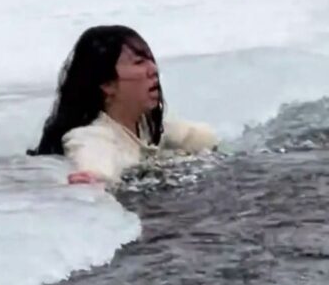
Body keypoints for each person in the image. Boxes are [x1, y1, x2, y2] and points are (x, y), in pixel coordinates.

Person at [27, 25, 218, 185]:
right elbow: (93, 156)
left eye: (150, 60)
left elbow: (195, 136)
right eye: (139, 62)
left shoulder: (144, 125)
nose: (153, 70)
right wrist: (93, 176)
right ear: (107, 84)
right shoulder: (94, 135)